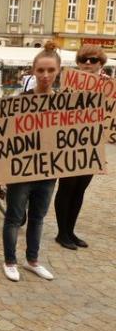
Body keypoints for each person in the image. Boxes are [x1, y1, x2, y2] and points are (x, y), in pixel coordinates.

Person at [2, 41, 61, 282]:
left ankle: (32, 260)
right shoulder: (19, 102)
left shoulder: (66, 104)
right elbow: (5, 137)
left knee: (38, 218)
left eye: (50, 70)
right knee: (14, 217)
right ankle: (10, 261)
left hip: (48, 172)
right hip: (22, 172)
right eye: (41, 70)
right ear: (33, 71)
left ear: (58, 72)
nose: (45, 75)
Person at [53, 44, 108, 250]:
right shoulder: (70, 83)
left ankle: (70, 231)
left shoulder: (108, 87)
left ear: (100, 63)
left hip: (92, 144)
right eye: (83, 60)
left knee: (80, 189)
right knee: (67, 187)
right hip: (69, 143)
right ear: (77, 63)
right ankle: (61, 233)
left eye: (92, 60)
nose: (87, 63)